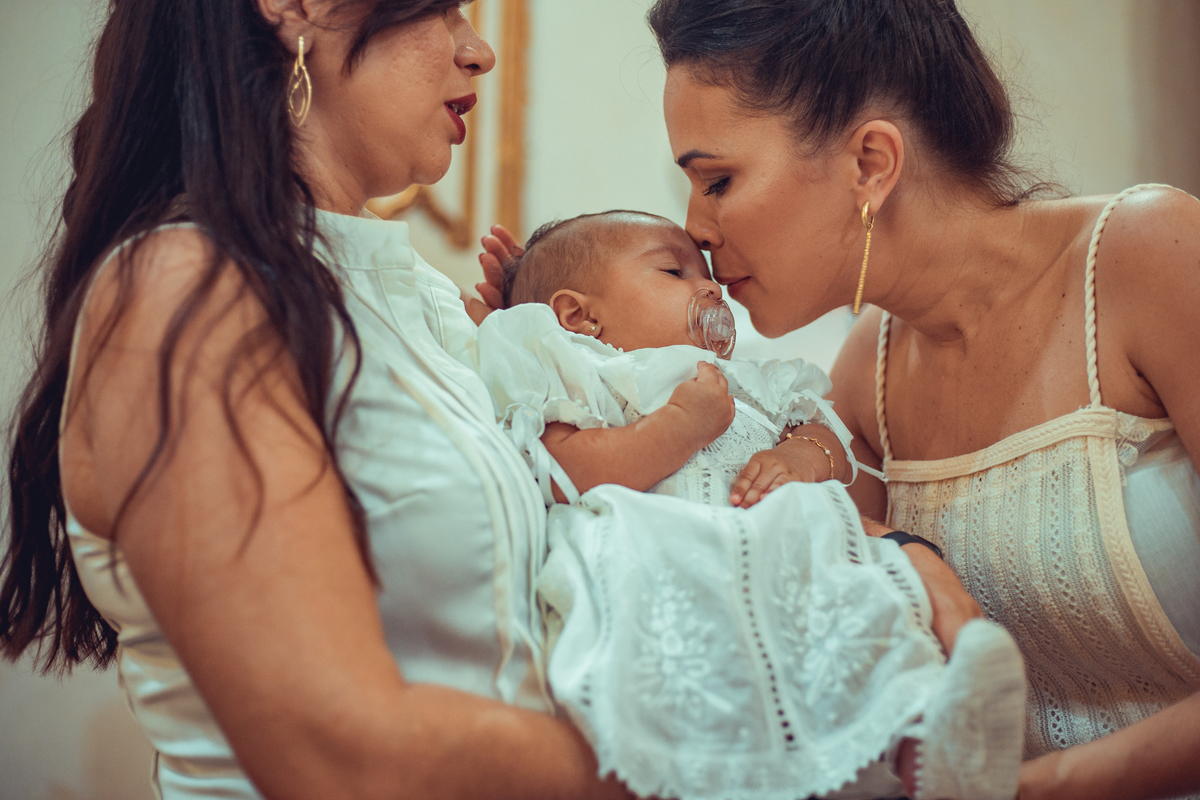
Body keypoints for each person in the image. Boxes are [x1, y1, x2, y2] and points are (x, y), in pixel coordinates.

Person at [479, 1, 1200, 797]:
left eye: (717, 179)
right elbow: (723, 526)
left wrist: (1029, 788)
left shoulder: (1152, 257)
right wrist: (538, 349)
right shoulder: (863, 377)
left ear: (870, 163)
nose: (697, 228)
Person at [0, 1, 642, 798]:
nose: (479, 52)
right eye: (440, 8)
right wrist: (719, 756)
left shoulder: (427, 301)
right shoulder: (187, 291)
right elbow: (338, 753)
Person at [474, 208, 1028, 800]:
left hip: (784, 557)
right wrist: (679, 428)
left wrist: (801, 459)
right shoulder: (585, 372)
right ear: (578, 317)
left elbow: (827, 439)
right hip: (667, 561)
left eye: (701, 272)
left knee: (863, 595)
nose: (710, 285)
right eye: (673, 271)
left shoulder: (748, 379)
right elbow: (563, 474)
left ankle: (927, 735)